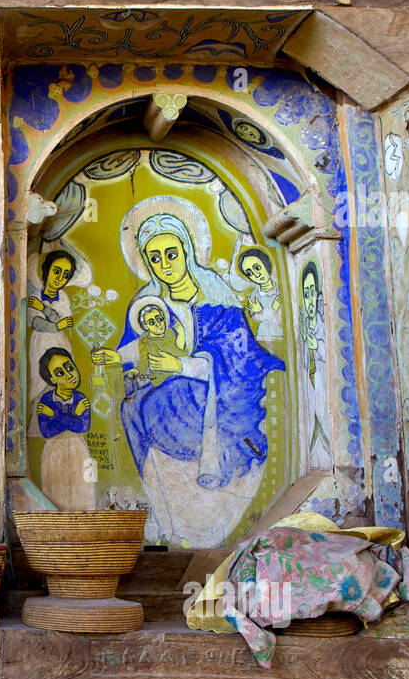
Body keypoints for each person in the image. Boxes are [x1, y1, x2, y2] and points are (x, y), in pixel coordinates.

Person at [91, 213, 284, 547]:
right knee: (135, 406)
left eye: (171, 253)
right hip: (161, 408)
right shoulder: (146, 303)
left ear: (187, 250)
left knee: (176, 393)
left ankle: (215, 512)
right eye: (154, 257)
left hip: (217, 400)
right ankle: (174, 522)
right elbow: (133, 354)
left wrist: (182, 365)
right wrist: (121, 360)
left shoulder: (218, 298)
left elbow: (240, 360)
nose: (165, 264)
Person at [35, 347, 95, 511]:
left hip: (78, 450)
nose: (69, 375)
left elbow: (82, 426)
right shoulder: (47, 399)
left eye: (69, 367)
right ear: (52, 379)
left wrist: (55, 414)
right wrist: (72, 416)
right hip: (54, 452)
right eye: (60, 373)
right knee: (56, 495)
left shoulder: (81, 399)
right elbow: (47, 431)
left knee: (83, 494)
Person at [26, 249, 78, 437]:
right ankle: (38, 429)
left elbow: (65, 322)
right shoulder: (34, 294)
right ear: (47, 270)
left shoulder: (62, 297)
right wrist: (54, 322)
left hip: (60, 344)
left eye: (65, 275)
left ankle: (64, 425)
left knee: (63, 382)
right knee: (41, 384)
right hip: (40, 344)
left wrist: (44, 309)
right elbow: (36, 322)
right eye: (57, 271)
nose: (59, 278)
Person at [300, 262, 332, 467]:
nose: (309, 299)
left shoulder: (320, 321)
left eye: (312, 292)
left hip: (321, 380)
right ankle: (318, 459)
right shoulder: (305, 324)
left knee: (323, 415)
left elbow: (324, 350)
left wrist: (317, 345)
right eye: (306, 294)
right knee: (313, 422)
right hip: (311, 385)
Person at [236, 246, 284, 342]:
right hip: (263, 336)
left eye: (257, 268)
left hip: (281, 336)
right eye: (250, 273)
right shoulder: (254, 296)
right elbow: (256, 317)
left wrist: (263, 312)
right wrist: (272, 309)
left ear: (266, 264)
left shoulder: (281, 290)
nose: (256, 275)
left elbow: (283, 319)